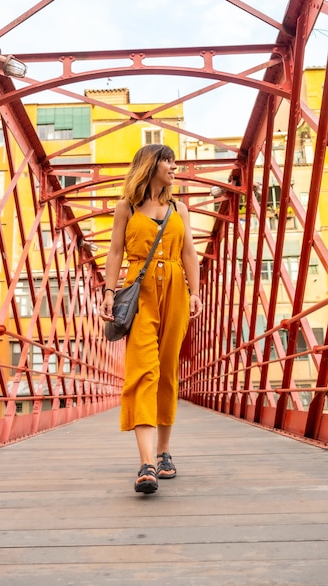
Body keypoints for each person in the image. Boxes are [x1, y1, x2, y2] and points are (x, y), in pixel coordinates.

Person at [99, 144, 202, 494]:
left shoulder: (180, 209)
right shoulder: (126, 208)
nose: (175, 166)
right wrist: (109, 292)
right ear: (150, 164)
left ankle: (164, 451)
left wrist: (196, 292)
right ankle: (146, 463)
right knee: (143, 370)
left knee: (168, 371)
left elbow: (189, 252)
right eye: (168, 161)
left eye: (174, 161)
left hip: (175, 290)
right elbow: (115, 251)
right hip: (139, 292)